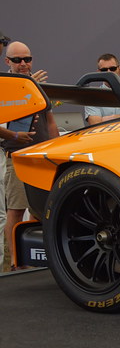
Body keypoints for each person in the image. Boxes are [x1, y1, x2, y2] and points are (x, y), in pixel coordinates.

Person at [3, 41, 58, 270]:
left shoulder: (34, 85)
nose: (23, 63)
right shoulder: (5, 85)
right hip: (18, 157)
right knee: (15, 211)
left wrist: (57, 151)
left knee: (42, 210)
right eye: (17, 60)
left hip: (43, 158)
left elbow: (50, 120)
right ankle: (12, 265)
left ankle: (39, 262)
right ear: (8, 62)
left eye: (27, 59)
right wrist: (15, 137)